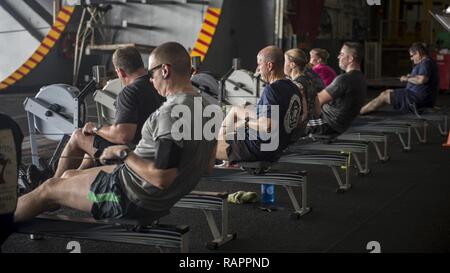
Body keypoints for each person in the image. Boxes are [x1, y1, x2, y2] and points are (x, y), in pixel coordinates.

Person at [13, 42, 217, 223]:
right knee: (67, 175)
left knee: (47, 188)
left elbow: (162, 178)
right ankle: (39, 207)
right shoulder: (210, 109)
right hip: (143, 187)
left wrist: (124, 153)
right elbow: (207, 167)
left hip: (129, 197)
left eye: (152, 73)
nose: (151, 80)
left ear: (164, 70)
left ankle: (29, 207)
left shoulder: (171, 113)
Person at [48, 46, 164, 180]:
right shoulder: (157, 84)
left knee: (79, 135)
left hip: (134, 158)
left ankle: (54, 182)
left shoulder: (130, 92)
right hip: (154, 153)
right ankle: (69, 182)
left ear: (120, 72)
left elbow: (123, 135)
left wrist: (95, 128)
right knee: (91, 146)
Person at [215, 46, 307, 163]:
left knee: (205, 147)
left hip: (259, 149)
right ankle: (225, 151)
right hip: (276, 147)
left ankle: (221, 153)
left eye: (260, 64)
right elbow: (299, 119)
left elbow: (267, 126)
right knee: (236, 109)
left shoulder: (272, 90)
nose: (258, 69)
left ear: (269, 66)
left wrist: (245, 123)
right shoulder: (294, 88)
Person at [360, 43, 439, 115]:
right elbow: (421, 77)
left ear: (418, 53)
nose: (411, 59)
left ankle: (359, 112)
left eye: (412, 56)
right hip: (416, 96)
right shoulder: (427, 62)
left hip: (417, 99)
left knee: (385, 96)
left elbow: (421, 80)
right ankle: (363, 110)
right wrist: (410, 76)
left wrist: (406, 79)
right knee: (387, 92)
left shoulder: (426, 63)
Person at [308, 42, 367, 136]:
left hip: (327, 124)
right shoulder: (360, 78)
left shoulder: (345, 79)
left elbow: (318, 100)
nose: (338, 57)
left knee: (290, 123)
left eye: (342, 54)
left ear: (350, 58)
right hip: (340, 124)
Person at [284, 48, 324, 123]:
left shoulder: (295, 84)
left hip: (305, 127)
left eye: (284, 61)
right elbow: (318, 110)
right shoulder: (309, 80)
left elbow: (302, 116)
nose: (283, 65)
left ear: (292, 65)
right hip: (315, 122)